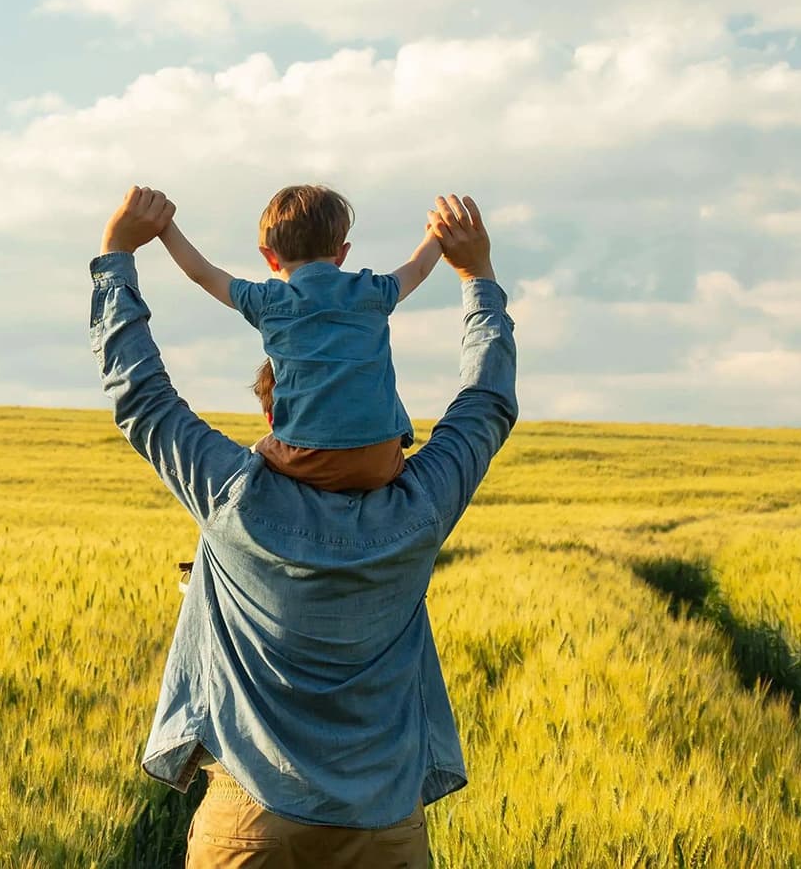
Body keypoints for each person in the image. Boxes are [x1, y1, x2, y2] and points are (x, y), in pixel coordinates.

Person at [91, 187, 518, 868]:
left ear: (275, 420)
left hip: (250, 821)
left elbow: (142, 397)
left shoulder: (231, 498)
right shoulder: (421, 506)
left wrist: (117, 256)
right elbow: (487, 403)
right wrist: (477, 277)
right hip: (386, 826)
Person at [157, 185, 445, 493]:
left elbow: (204, 273)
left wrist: (165, 227)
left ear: (269, 257)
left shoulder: (267, 299)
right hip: (382, 460)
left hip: (310, 460)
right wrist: (437, 233)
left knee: (255, 456)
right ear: (342, 254)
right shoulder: (372, 290)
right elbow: (419, 267)